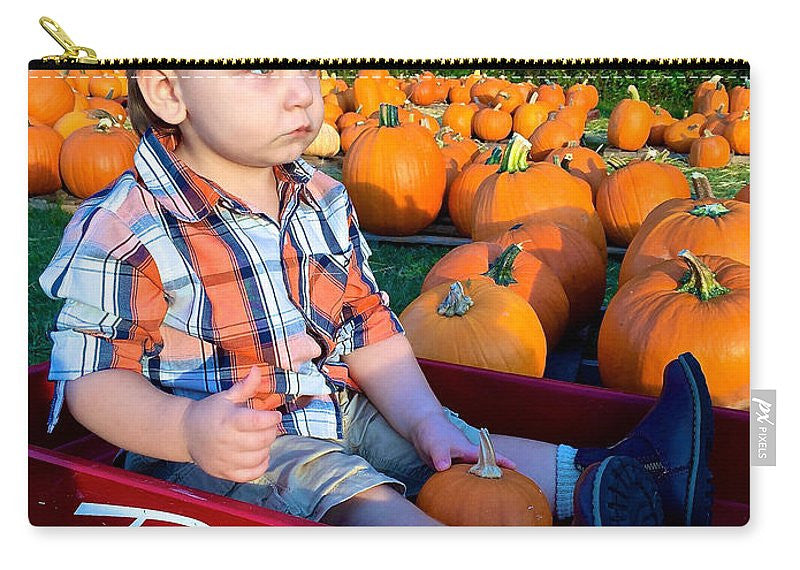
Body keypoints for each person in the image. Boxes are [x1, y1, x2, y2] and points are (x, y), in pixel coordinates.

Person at [39, 69, 713, 526]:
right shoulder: (124, 225)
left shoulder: (324, 197)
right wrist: (184, 432)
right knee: (352, 490)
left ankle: (621, 480)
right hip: (226, 447)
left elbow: (368, 326)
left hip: (337, 405)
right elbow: (93, 379)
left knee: (456, 446)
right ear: (168, 91)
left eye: (304, 66)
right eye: (260, 71)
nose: (302, 94)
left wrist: (424, 420)